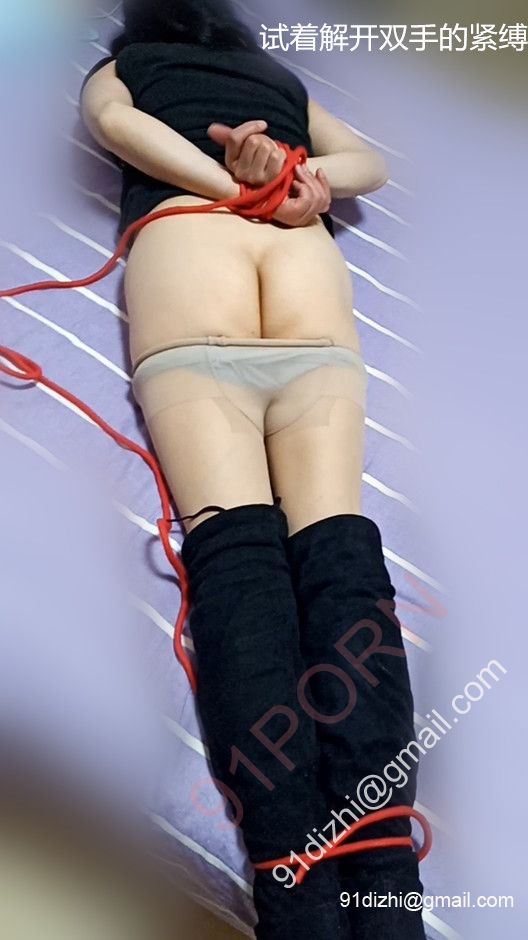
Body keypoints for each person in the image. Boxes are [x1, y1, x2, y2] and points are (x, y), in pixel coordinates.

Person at [81, 1, 426, 937]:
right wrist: (292, 186)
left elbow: (117, 128)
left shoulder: (128, 67)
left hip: (194, 295)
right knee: (340, 558)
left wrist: (237, 184)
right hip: (310, 306)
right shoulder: (284, 85)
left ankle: (296, 883)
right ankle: (386, 888)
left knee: (240, 561)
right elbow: (369, 164)